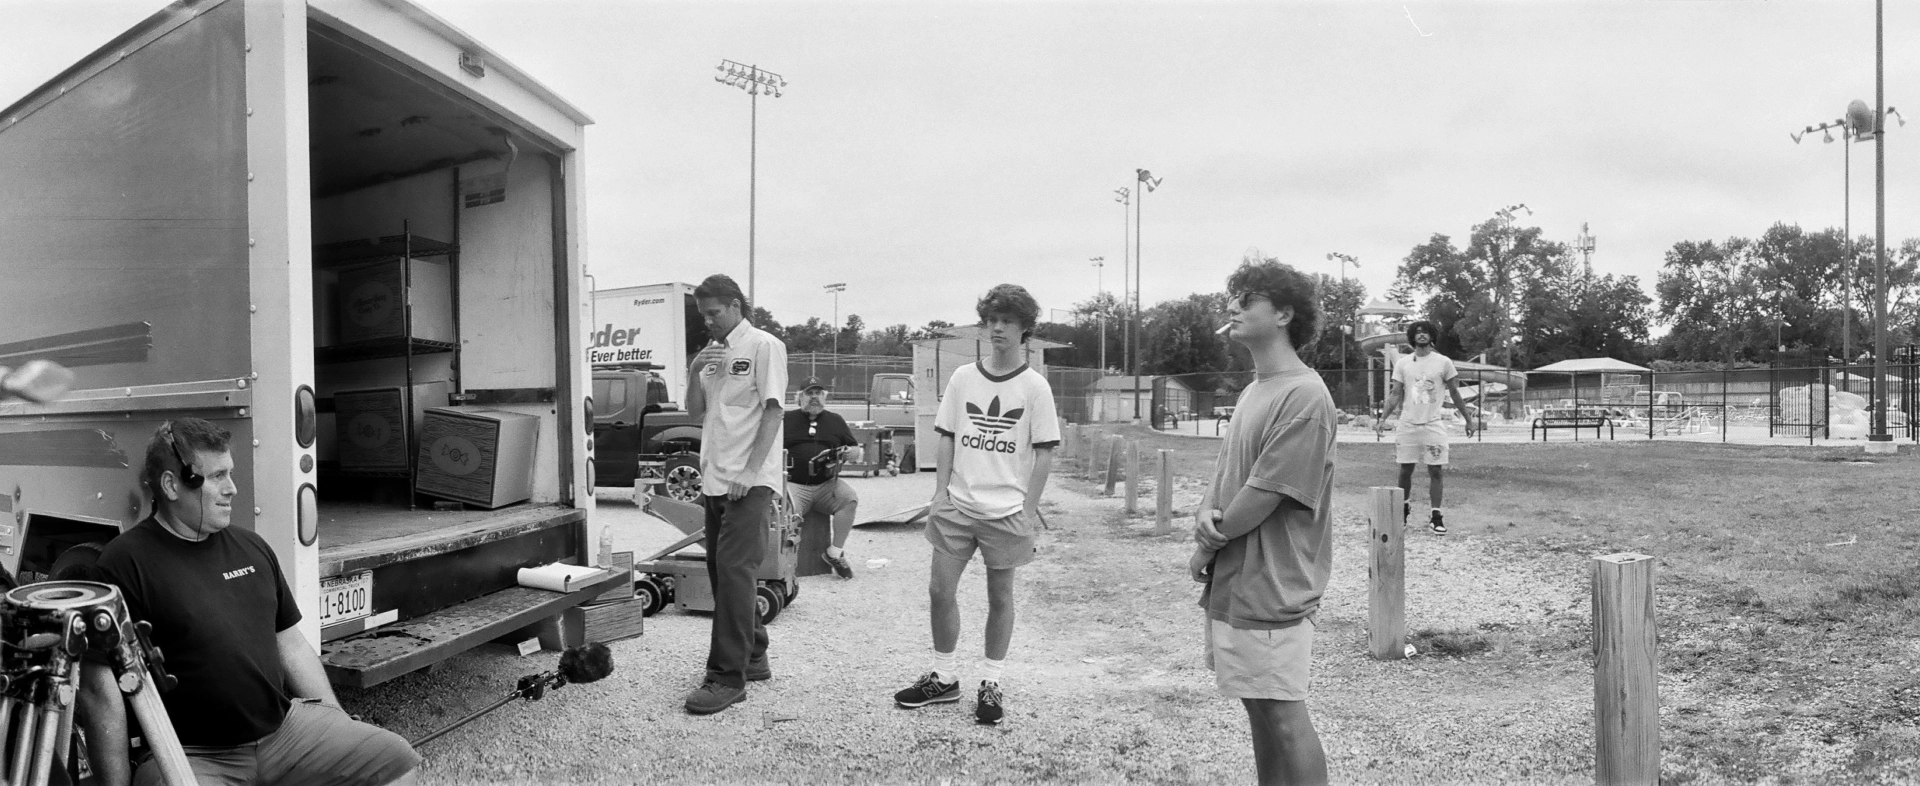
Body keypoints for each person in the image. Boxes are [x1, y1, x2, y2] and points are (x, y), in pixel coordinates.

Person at [77, 418, 420, 786]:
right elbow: (101, 692)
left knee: (397, 762)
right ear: (172, 485)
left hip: (283, 733)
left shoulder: (252, 548)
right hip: (191, 754)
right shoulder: (123, 565)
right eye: (218, 476)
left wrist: (335, 721)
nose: (232, 489)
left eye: (232, 474)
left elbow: (290, 645)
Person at [1191, 259, 1335, 786]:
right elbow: (1228, 471)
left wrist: (1209, 541)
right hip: (1239, 580)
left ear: (1284, 313)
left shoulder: (1305, 395)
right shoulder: (1255, 390)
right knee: (1259, 710)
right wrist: (1205, 513)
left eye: (1247, 299)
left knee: (1284, 715)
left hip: (1274, 582)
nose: (1233, 307)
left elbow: (1269, 490)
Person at [893, 284, 1059, 725]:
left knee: (999, 597)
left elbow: (1044, 452)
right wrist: (939, 493)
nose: (999, 328)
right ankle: (944, 678)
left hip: (1006, 511)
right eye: (992, 320)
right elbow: (946, 436)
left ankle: (991, 681)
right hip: (958, 508)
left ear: (1025, 328)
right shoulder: (964, 377)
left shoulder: (1035, 387)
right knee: (939, 591)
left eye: (1008, 321)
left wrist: (1028, 508)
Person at [681, 274, 788, 715]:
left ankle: (727, 677)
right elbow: (694, 412)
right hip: (715, 479)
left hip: (749, 481)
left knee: (734, 571)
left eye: (715, 313)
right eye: (703, 315)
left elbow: (774, 409)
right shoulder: (710, 357)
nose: (708, 321)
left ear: (736, 306)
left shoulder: (764, 346)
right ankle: (755, 654)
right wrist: (693, 367)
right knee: (723, 574)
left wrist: (750, 470)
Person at [1374, 319, 1475, 535]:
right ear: (1412, 337)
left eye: (1425, 332)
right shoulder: (1403, 364)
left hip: (1433, 423)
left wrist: (1468, 418)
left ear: (1431, 336)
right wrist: (1383, 419)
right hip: (1408, 423)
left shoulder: (1443, 362)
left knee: (1435, 469)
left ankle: (1436, 516)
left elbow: (1455, 393)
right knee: (1405, 469)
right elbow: (1395, 393)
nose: (1421, 335)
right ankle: (1403, 509)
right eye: (1417, 332)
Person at [784, 376, 861, 579]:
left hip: (827, 485)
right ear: (800, 397)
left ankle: (834, 553)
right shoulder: (786, 419)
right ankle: (785, 563)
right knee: (784, 515)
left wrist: (852, 452)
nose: (814, 397)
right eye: (809, 393)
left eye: (818, 393)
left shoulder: (835, 420)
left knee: (849, 499)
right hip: (794, 485)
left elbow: (854, 448)